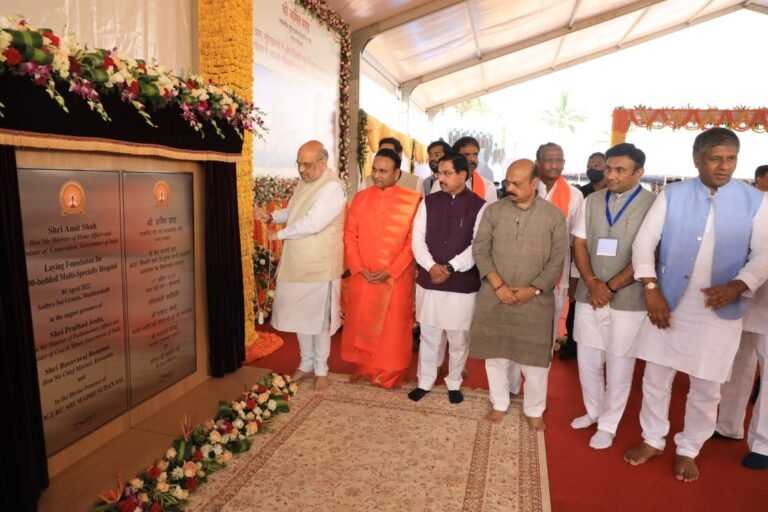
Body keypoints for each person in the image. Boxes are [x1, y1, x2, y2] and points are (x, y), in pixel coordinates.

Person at [624, 128, 768, 481]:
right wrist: (651, 287)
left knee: (706, 385)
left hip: (720, 307)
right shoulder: (672, 194)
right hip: (669, 301)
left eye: (731, 158)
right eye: (716, 158)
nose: (724, 166)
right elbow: (644, 243)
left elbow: (764, 253)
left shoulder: (756, 200)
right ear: (697, 159)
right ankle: (653, 439)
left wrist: (739, 284)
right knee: (657, 376)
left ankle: (689, 447)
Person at [469, 159, 567, 431]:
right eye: (506, 182)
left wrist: (533, 288)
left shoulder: (553, 216)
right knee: (496, 356)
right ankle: (499, 402)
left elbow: (557, 259)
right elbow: (480, 250)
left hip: (535, 299)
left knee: (534, 361)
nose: (509, 187)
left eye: (517, 184)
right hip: (494, 295)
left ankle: (534, 409)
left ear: (535, 183)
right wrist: (498, 285)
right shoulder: (493, 212)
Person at [570, 143, 655, 449]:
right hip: (589, 293)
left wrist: (612, 286)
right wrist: (592, 282)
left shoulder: (653, 203)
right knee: (588, 359)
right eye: (609, 168)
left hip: (628, 299)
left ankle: (609, 425)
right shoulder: (592, 200)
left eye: (620, 170)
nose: (611, 175)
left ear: (639, 173)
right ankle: (593, 411)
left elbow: (651, 252)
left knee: (619, 362)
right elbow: (579, 243)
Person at [255, 140, 345, 391]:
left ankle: (322, 369)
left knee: (319, 321)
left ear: (322, 163)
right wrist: (273, 216)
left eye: (307, 165)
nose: (302, 170)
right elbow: (295, 212)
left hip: (319, 265)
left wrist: (279, 235)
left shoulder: (332, 188)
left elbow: (313, 223)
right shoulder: (305, 183)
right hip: (297, 262)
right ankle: (305, 364)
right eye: (298, 164)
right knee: (301, 318)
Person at [409, 153, 486, 404]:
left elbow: (478, 246)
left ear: (463, 175)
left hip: (462, 284)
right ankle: (425, 381)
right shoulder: (428, 202)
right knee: (429, 334)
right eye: (438, 173)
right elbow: (417, 239)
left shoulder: (479, 205)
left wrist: (450, 267)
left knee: (458, 338)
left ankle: (454, 382)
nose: (440, 178)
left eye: (446, 173)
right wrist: (431, 266)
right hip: (430, 280)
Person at [341, 148, 422, 388]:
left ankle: (390, 372)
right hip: (364, 275)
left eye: (383, 171)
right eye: (374, 170)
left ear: (397, 173)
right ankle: (365, 367)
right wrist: (357, 266)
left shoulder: (412, 200)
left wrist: (392, 270)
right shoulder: (361, 198)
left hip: (395, 278)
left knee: (393, 327)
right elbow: (349, 236)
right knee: (362, 322)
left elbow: (412, 241)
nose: (376, 175)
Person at [714, 164, 768, 470]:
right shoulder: (747, 203)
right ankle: (727, 424)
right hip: (740, 298)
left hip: (760, 296)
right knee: (735, 364)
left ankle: (763, 442)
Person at [430, 137, 497, 204]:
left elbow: (491, 213)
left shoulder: (488, 186)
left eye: (475, 154)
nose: (472, 159)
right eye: (466, 155)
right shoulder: (440, 184)